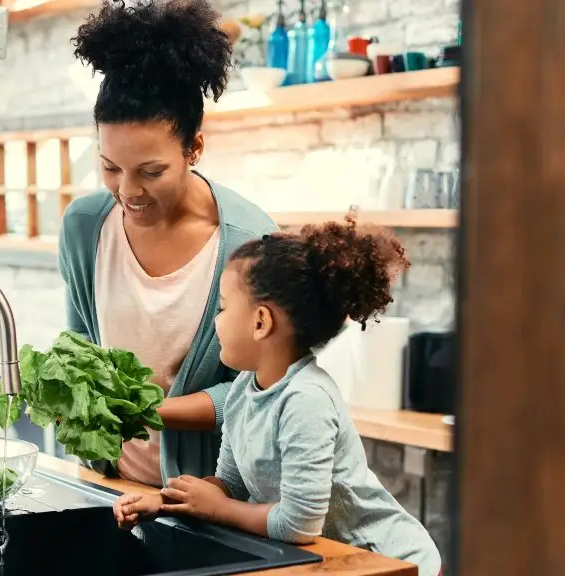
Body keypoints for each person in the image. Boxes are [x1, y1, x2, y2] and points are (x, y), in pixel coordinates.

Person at [112, 222, 443, 575]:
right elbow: (231, 485)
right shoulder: (242, 389)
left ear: (261, 322)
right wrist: (163, 503)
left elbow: (299, 524)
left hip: (391, 562)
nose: (216, 321)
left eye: (223, 308)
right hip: (334, 559)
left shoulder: (306, 400)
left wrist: (217, 509)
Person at [58, 0, 277, 487]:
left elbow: (262, 391)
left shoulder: (250, 244)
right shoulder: (83, 228)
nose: (128, 191)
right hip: (108, 487)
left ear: (194, 148)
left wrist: (148, 412)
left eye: (150, 171)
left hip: (208, 504)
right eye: (110, 167)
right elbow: (78, 351)